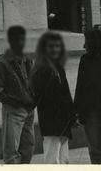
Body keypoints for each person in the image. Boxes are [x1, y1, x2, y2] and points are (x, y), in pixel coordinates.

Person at [0, 25, 35, 164]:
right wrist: (10, 100)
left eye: (22, 39)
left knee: (28, 147)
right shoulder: (2, 62)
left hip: (29, 109)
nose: (20, 43)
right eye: (17, 40)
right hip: (14, 109)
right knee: (11, 151)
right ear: (11, 41)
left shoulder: (27, 59)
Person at [31, 31, 76, 164]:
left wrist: (71, 117)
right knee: (53, 160)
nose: (55, 49)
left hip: (61, 121)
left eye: (57, 46)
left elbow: (66, 94)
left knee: (63, 159)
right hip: (52, 122)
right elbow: (45, 99)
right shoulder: (42, 70)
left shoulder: (57, 68)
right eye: (51, 47)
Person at [74, 29, 101, 163]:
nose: (84, 45)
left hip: (91, 109)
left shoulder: (86, 60)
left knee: (95, 148)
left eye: (86, 41)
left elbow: (81, 86)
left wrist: (77, 110)